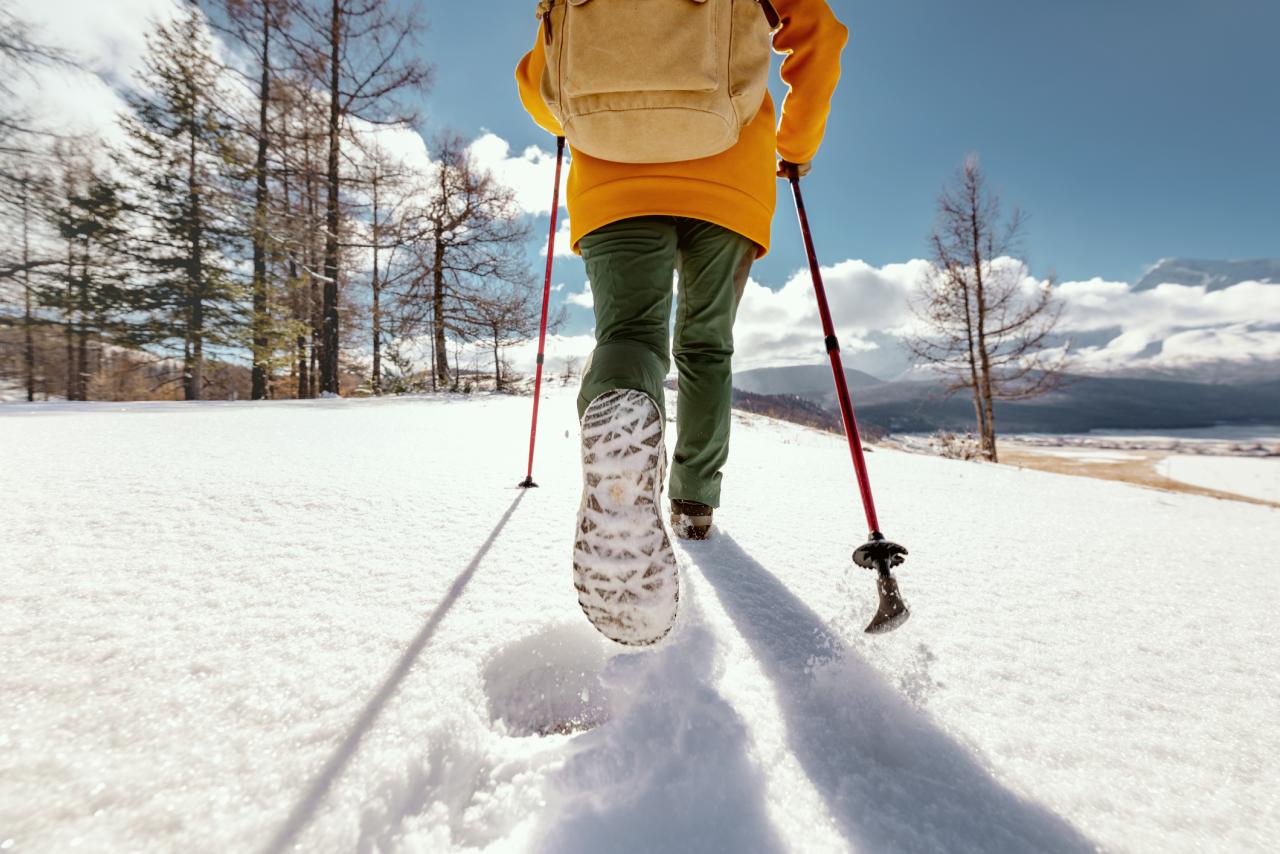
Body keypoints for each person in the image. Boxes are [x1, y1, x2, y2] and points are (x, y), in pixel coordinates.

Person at [516, 0, 848, 645]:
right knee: (705, 346)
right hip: (730, 175)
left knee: (629, 338)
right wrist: (797, 145)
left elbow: (540, 81)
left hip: (613, 178)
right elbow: (820, 38)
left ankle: (620, 411)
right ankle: (694, 502)